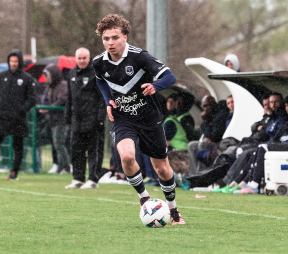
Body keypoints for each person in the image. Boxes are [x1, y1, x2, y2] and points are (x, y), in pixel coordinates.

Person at [93, 14, 185, 225]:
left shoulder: (140, 57)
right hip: (123, 118)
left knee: (161, 168)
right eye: (106, 38)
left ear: (125, 36)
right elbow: (100, 82)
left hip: (148, 118)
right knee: (126, 155)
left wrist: (156, 86)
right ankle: (144, 199)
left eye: (115, 37)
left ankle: (173, 210)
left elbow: (169, 77)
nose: (110, 42)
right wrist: (108, 101)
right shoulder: (99, 62)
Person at [0, 50, 38, 180]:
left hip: (18, 118)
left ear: (20, 62)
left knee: (18, 146)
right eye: (11, 61)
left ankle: (14, 172)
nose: (13, 63)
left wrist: (22, 109)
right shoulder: (1, 76)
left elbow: (32, 99)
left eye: (16, 61)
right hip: (2, 117)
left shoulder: (27, 79)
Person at [64, 47, 106, 189]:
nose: (82, 61)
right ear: (76, 59)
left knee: (94, 150)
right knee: (76, 149)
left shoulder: (96, 73)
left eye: (84, 58)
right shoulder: (72, 74)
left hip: (93, 119)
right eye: (79, 58)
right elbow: (69, 96)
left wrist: (100, 118)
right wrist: (67, 114)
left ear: (89, 58)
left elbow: (102, 98)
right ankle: (78, 178)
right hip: (77, 120)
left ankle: (93, 179)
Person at [187, 95, 228, 175]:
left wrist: (205, 122)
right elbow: (207, 133)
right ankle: (193, 174)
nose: (205, 109)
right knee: (191, 145)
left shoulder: (220, 115)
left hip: (220, 143)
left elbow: (216, 136)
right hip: (212, 141)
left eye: (206, 105)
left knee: (203, 145)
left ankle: (203, 174)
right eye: (203, 106)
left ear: (213, 104)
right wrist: (206, 135)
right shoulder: (211, 115)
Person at [41, 64, 70, 174]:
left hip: (61, 119)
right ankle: (60, 166)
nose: (47, 78)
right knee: (56, 144)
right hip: (53, 119)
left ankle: (66, 167)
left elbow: (61, 100)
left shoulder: (63, 85)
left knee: (59, 144)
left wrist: (48, 109)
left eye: (48, 75)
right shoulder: (49, 87)